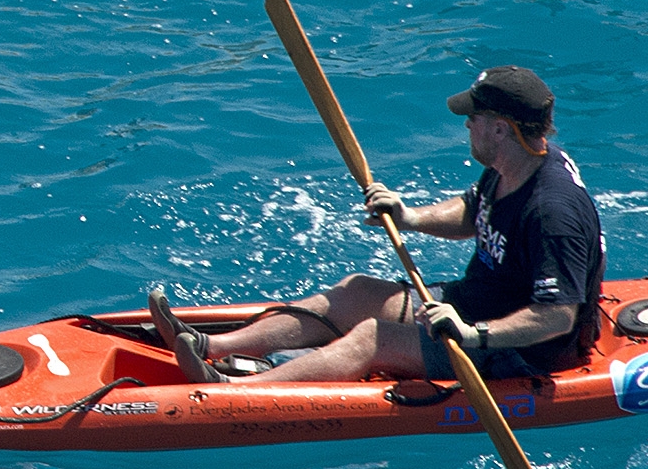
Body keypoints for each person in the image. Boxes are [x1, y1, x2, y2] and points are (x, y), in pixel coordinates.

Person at [148, 65, 605, 386]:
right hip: (476, 304)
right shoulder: (514, 164)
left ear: (502, 129)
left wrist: (472, 335)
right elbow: (473, 210)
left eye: (475, 117)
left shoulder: (553, 212)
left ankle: (239, 393)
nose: (467, 123)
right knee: (356, 292)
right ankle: (211, 346)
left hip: (523, 349)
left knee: (372, 338)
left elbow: (556, 316)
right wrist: (410, 217)